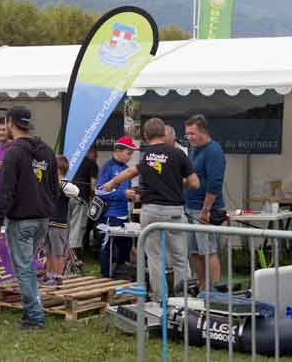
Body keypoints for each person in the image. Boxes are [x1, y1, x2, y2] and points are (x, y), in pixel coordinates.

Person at [100, 118, 200, 299]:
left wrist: (112, 183)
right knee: (179, 258)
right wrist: (177, 182)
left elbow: (131, 172)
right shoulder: (179, 154)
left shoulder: (146, 156)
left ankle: (159, 299)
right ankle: (183, 300)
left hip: (151, 212)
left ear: (145, 136)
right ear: (164, 133)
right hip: (174, 212)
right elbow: (195, 183)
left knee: (155, 258)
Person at [0, 106, 69, 331]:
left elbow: (6, 190)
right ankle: (31, 313)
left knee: (24, 268)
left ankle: (34, 317)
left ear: (9, 122)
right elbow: (54, 186)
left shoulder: (13, 153)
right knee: (28, 267)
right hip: (42, 219)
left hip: (22, 219)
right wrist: (45, 206)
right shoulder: (46, 151)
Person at [184, 115, 225, 289]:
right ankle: (202, 286)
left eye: (192, 133)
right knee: (193, 252)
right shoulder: (192, 149)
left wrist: (206, 210)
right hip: (190, 207)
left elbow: (215, 182)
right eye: (187, 134)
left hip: (205, 209)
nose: (189, 137)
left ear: (203, 132)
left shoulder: (213, 151)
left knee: (208, 251)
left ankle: (214, 290)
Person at [96, 136, 137, 278]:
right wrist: (123, 194)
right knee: (107, 248)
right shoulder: (107, 167)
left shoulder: (127, 169)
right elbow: (99, 191)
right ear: (118, 150)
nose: (130, 157)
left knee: (125, 247)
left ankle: (121, 275)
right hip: (110, 215)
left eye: (132, 153)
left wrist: (133, 196)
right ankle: (104, 277)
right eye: (129, 153)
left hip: (124, 216)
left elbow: (126, 193)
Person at [45, 155, 71, 286]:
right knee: (48, 251)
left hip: (59, 224)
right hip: (48, 222)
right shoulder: (50, 183)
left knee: (58, 253)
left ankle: (58, 277)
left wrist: (60, 182)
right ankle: (49, 275)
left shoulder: (66, 185)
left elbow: (73, 192)